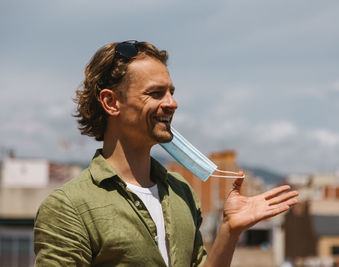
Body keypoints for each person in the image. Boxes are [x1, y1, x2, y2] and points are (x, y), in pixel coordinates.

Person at [33, 40, 298, 267]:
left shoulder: (180, 191)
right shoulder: (68, 207)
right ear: (111, 102)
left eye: (171, 92)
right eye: (156, 93)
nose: (172, 103)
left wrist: (229, 230)